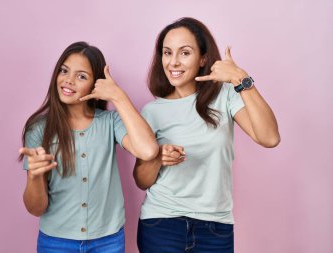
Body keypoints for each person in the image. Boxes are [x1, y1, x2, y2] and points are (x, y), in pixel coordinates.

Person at [134, 17, 280, 253]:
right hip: (161, 224)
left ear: (203, 58)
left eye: (184, 53)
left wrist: (241, 79)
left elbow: (270, 137)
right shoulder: (152, 111)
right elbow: (141, 180)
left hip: (216, 227)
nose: (173, 62)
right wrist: (158, 158)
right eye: (167, 52)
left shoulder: (225, 96)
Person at [18, 41, 158, 253]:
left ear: (95, 85)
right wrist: (34, 177)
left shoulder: (110, 121)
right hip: (56, 242)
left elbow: (147, 150)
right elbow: (36, 208)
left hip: (108, 241)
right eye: (64, 71)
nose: (68, 80)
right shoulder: (38, 129)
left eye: (81, 76)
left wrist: (117, 96)